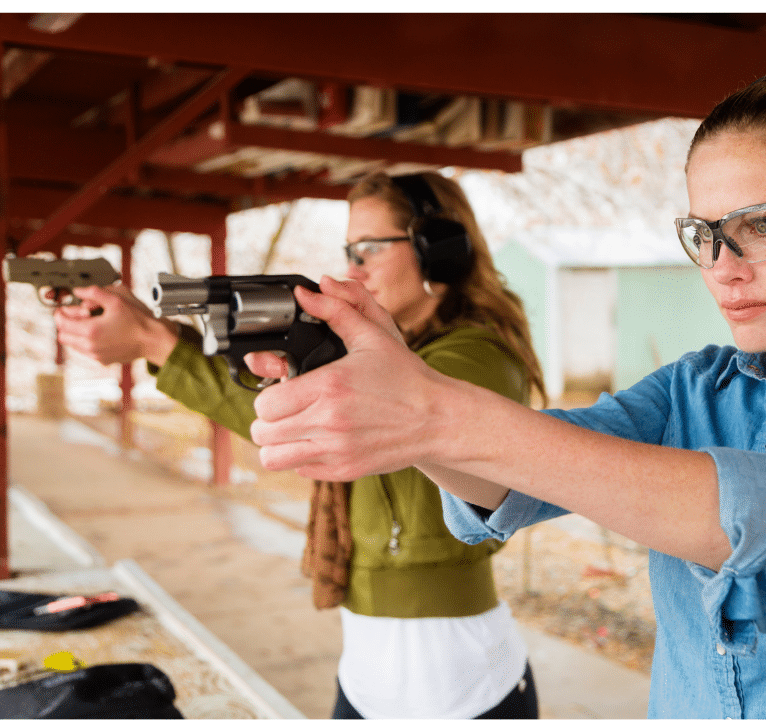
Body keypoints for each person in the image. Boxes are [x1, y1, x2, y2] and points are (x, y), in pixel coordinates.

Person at [242, 47, 766, 719]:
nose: (723, 269)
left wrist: (437, 411)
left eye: (764, 223)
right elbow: (507, 483)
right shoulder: (690, 390)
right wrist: (409, 404)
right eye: (706, 234)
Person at [54, 171, 545, 719]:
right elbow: (294, 410)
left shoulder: (479, 354)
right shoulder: (387, 352)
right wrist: (155, 333)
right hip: (364, 677)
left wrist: (156, 342)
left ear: (440, 250)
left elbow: (355, 417)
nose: (352, 267)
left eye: (370, 248)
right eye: (348, 249)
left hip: (464, 684)